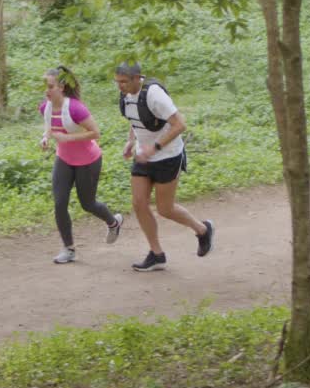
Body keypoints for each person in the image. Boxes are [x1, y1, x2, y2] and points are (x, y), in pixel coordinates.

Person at [114, 62, 214, 272]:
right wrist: (131, 141)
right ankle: (156, 254)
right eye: (117, 82)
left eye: (123, 82)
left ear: (136, 78)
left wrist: (156, 147)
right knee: (139, 203)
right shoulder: (126, 95)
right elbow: (135, 119)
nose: (120, 86)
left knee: (165, 209)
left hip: (168, 156)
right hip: (144, 156)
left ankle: (202, 230)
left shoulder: (154, 94)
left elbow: (180, 124)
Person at [39, 66, 124, 264]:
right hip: (64, 159)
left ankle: (113, 222)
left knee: (88, 204)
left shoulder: (76, 108)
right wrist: (45, 138)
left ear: (61, 87)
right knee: (60, 204)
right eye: (45, 86)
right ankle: (69, 249)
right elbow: (51, 128)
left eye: (50, 86)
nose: (46, 90)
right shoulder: (46, 107)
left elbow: (96, 133)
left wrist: (67, 138)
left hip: (88, 161)